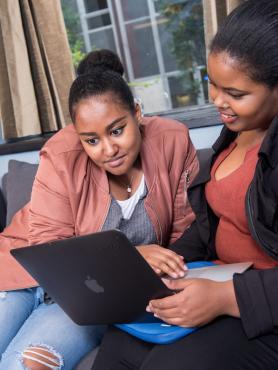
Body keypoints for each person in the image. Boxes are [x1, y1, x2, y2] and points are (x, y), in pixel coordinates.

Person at [92, 1, 278, 369]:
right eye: (212, 85)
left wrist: (225, 298)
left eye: (236, 94)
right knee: (120, 342)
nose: (217, 102)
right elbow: (216, 223)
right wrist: (168, 262)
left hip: (260, 308)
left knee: (172, 363)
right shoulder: (236, 133)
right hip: (222, 279)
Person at [0, 49, 198, 369]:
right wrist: (135, 255)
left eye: (117, 130)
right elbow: (50, 249)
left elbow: (185, 233)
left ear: (137, 113)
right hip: (19, 275)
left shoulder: (172, 142)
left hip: (84, 295)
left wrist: (147, 268)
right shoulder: (62, 153)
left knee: (26, 365)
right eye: (91, 140)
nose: (108, 150)